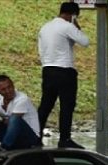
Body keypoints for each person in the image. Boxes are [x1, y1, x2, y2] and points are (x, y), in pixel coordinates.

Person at [37, 1, 90, 149]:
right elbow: (85, 41)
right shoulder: (67, 26)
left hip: (47, 69)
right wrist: (76, 26)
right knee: (67, 106)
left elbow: (41, 50)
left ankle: (36, 136)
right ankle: (64, 139)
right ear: (72, 15)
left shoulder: (45, 27)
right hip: (65, 70)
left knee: (46, 105)